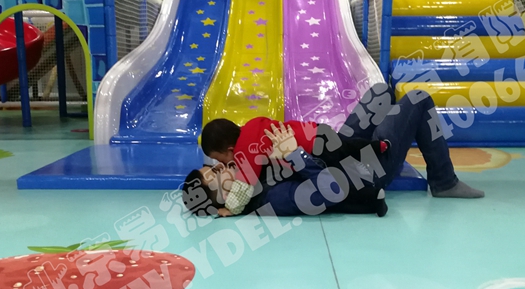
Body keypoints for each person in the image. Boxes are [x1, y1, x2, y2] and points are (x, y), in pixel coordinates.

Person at [182, 85, 483, 218]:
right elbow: (330, 189)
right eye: (217, 174)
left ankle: (385, 137)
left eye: (216, 164)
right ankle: (444, 181)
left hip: (336, 151)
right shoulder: (270, 196)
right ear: (226, 200)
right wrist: (293, 154)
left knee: (381, 92)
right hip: (363, 173)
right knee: (417, 98)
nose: (224, 167)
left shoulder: (251, 160)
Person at [199, 116, 388, 216]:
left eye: (221, 160)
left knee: (340, 184)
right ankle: (376, 146)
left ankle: (372, 196)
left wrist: (231, 208)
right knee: (347, 147)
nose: (223, 165)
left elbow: (244, 186)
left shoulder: (244, 152)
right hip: (316, 131)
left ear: (230, 149)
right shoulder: (252, 127)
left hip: (315, 148)